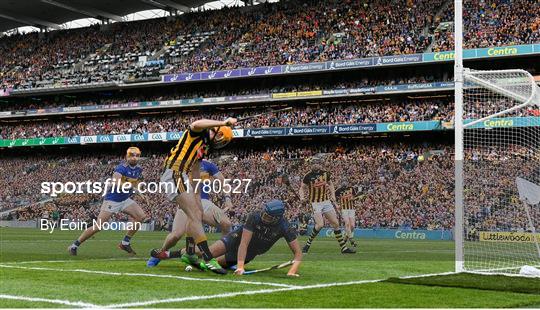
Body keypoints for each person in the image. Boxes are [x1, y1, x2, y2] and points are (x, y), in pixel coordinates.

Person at [155, 117, 237, 274]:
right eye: (218, 135)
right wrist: (222, 123)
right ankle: (208, 258)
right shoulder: (197, 134)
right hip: (174, 172)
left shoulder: (204, 147)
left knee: (196, 215)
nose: (219, 140)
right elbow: (196, 123)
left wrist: (197, 195)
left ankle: (190, 254)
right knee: (194, 215)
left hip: (183, 176)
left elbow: (195, 171)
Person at [168, 199, 302, 276]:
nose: (263, 216)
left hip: (251, 252)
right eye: (264, 213)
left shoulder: (285, 227)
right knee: (206, 253)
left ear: (276, 219)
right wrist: (240, 266)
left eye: (267, 216)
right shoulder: (254, 216)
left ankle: (194, 264)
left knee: (208, 265)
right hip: (236, 239)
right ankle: (172, 253)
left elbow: (298, 253)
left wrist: (292, 270)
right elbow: (243, 243)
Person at [146, 159, 233, 267]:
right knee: (175, 236)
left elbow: (223, 181)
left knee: (226, 223)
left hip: (204, 202)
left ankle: (224, 258)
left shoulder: (208, 165)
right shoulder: (181, 164)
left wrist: (228, 199)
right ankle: (160, 254)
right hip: (186, 203)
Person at [68, 147, 147, 255]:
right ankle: (74, 245)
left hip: (124, 199)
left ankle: (125, 243)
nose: (134, 158)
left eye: (137, 156)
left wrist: (141, 193)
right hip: (112, 200)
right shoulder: (121, 168)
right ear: (127, 156)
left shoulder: (139, 169)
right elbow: (116, 183)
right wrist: (133, 189)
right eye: (132, 155)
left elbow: (135, 183)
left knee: (141, 216)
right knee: (98, 226)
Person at [300, 158, 355, 254]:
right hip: (315, 203)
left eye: (317, 163)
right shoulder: (308, 176)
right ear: (311, 165)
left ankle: (343, 248)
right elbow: (302, 188)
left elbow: (331, 184)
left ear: (320, 164)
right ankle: (307, 244)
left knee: (336, 224)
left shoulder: (325, 174)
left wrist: (333, 195)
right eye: (314, 163)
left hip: (326, 201)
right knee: (320, 225)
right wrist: (302, 197)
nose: (316, 165)